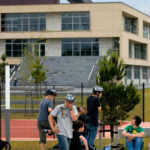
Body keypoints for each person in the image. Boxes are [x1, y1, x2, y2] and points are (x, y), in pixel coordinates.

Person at [85, 86, 103, 150]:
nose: (101, 94)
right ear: (97, 93)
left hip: (87, 119)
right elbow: (99, 109)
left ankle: (86, 147)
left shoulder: (88, 98)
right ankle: (91, 147)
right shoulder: (97, 99)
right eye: (101, 93)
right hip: (93, 120)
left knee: (88, 136)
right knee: (92, 136)